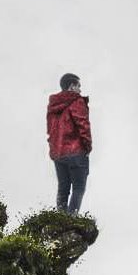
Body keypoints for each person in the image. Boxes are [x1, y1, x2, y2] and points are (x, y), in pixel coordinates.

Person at [47, 72, 92, 215]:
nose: (80, 90)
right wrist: (87, 146)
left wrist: (53, 149)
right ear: (72, 86)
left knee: (63, 187)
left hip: (58, 152)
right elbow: (83, 124)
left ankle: (61, 218)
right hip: (75, 151)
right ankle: (72, 218)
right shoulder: (76, 101)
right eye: (78, 86)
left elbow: (50, 129)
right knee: (79, 187)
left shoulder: (53, 104)